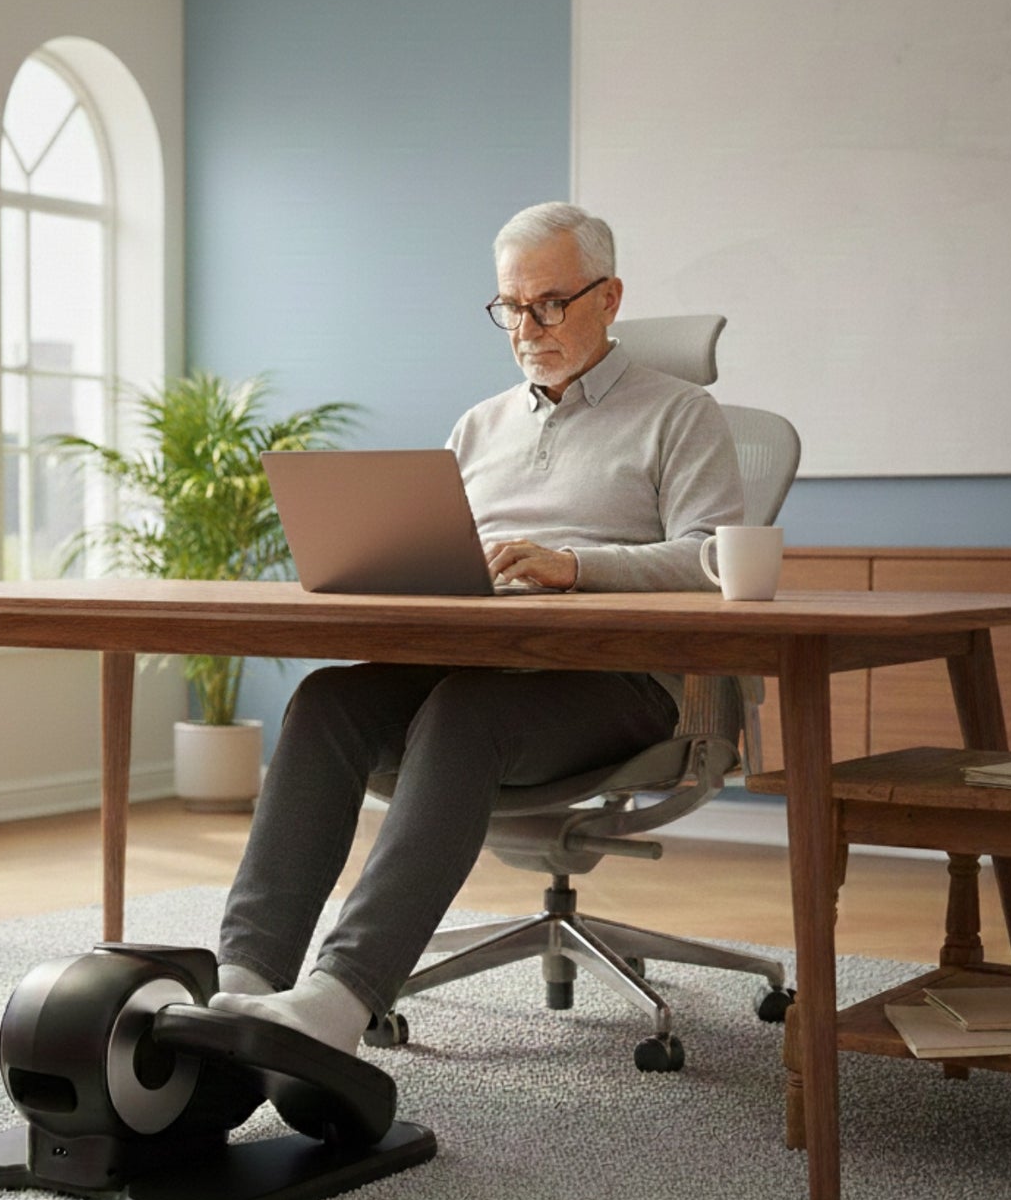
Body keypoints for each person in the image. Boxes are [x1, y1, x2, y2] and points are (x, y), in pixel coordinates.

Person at [209, 201, 743, 1053]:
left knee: (464, 714)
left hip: (620, 685)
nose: (527, 327)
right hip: (476, 661)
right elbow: (446, 551)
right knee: (325, 702)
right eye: (511, 307)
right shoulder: (478, 425)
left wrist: (576, 565)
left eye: (550, 304)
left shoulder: (679, 415)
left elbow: (714, 558)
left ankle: (339, 1001)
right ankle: (243, 981)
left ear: (609, 298)